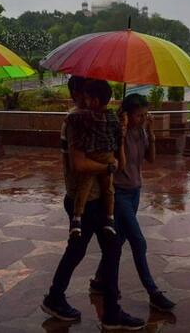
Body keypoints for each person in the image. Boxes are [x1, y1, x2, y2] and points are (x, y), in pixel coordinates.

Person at [42, 78, 144, 330]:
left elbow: (116, 156)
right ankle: (62, 299)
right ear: (78, 94)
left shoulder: (97, 120)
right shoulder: (76, 121)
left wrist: (118, 133)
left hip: (98, 198)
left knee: (108, 248)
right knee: (89, 249)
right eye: (85, 94)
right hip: (83, 199)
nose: (89, 99)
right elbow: (79, 164)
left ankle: (108, 310)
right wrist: (107, 167)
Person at [91, 94, 176, 312]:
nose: (143, 119)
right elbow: (119, 166)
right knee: (138, 241)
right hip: (119, 193)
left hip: (135, 191)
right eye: (140, 115)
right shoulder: (117, 132)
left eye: (146, 115)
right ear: (127, 114)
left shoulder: (141, 131)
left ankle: (100, 281)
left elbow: (151, 159)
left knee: (118, 241)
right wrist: (122, 133)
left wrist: (151, 133)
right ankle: (153, 292)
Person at [69, 80, 126, 238]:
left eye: (87, 98)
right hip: (108, 157)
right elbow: (118, 137)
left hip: (93, 155)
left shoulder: (87, 116)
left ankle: (76, 219)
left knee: (84, 186)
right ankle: (110, 219)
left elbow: (72, 119)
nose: (85, 101)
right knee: (108, 189)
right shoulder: (113, 118)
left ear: (94, 101)